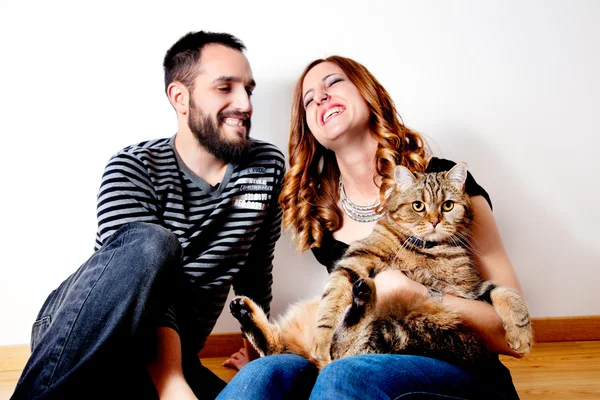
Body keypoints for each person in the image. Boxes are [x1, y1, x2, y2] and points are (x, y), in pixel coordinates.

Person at [217, 55, 523, 399]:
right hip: (366, 353)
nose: (320, 96)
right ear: (310, 129)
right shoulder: (323, 219)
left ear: (367, 93)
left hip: (458, 371)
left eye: (333, 83)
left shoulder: (445, 189)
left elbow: (510, 336)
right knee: (263, 374)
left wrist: (417, 293)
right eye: (309, 98)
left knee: (345, 376)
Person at [11, 31, 285, 400]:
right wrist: (172, 384)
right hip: (90, 335)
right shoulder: (132, 166)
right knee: (153, 242)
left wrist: (258, 359)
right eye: (225, 88)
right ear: (180, 97)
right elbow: (146, 279)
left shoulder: (265, 165)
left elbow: (254, 272)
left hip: (176, 357)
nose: (245, 104)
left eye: (248, 90)